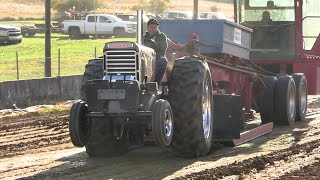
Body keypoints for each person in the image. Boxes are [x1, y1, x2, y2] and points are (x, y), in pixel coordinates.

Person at [144, 18, 168, 83]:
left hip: (157, 57)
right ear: (147, 27)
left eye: (155, 27)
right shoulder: (143, 37)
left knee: (162, 61)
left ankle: (156, 83)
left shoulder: (161, 36)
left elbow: (162, 49)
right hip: (145, 57)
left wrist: (153, 44)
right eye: (151, 27)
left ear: (157, 27)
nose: (153, 29)